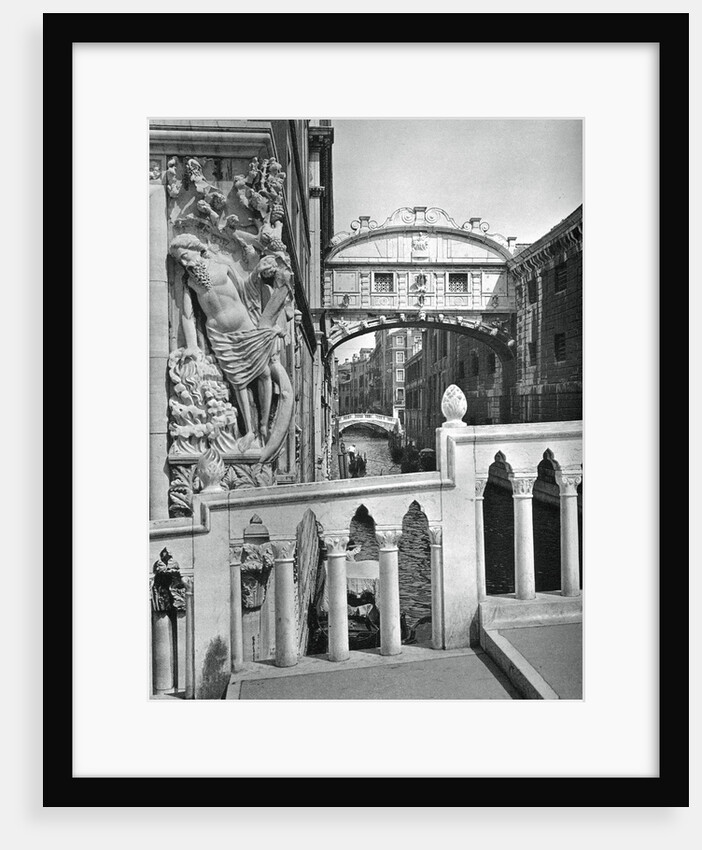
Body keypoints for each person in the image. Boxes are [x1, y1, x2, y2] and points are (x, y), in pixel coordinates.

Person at [169, 233, 292, 459]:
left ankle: (264, 424)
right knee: (238, 382)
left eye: (185, 256)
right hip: (218, 333)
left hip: (243, 324)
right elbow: (188, 316)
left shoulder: (222, 266)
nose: (185, 263)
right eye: (180, 261)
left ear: (196, 248)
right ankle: (250, 431)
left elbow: (246, 291)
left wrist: (257, 273)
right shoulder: (189, 281)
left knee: (263, 372)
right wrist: (192, 346)